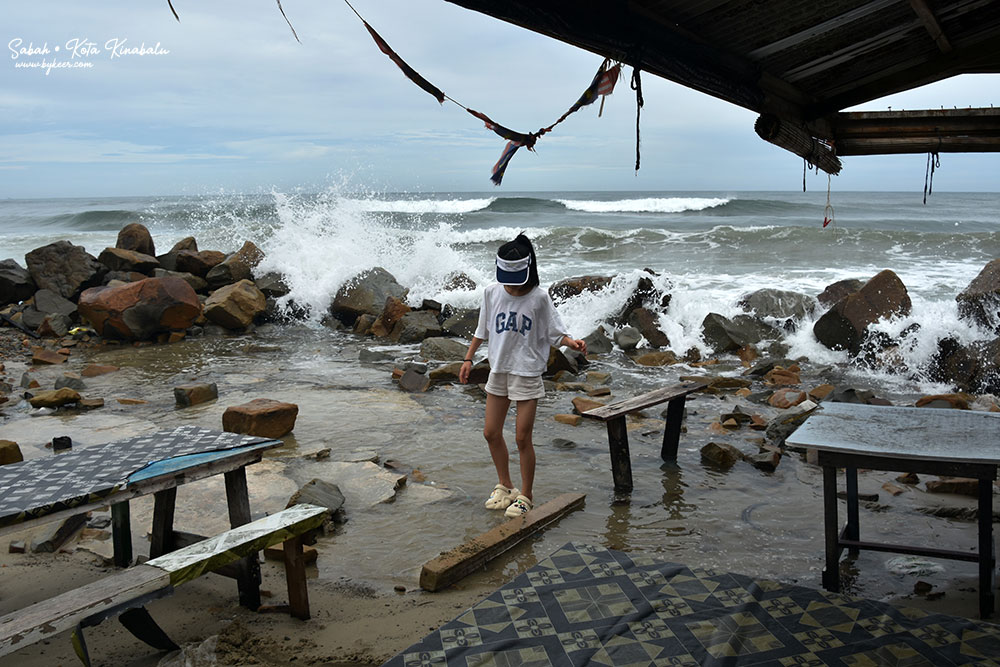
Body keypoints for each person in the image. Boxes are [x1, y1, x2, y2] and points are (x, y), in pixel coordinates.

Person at [459, 234, 587, 517]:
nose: (509, 286)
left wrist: (571, 342)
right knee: (491, 432)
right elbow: (482, 330)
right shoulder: (492, 293)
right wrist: (468, 358)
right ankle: (505, 486)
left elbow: (555, 332)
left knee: (521, 438)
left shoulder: (539, 298)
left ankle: (526, 495)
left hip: (527, 373)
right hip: (499, 370)